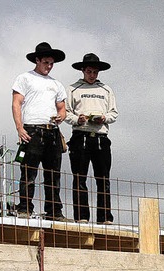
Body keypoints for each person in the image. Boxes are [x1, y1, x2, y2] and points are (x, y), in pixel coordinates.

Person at [12, 42, 68, 221]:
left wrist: (61, 116)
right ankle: (24, 208)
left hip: (52, 130)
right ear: (37, 60)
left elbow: (62, 108)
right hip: (32, 129)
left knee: (53, 174)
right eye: (46, 62)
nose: (49, 66)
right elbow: (16, 103)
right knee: (28, 171)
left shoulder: (56, 84)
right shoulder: (25, 78)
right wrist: (19, 127)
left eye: (51, 63)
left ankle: (54, 211)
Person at [65, 53, 118, 224]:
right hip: (80, 135)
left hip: (101, 136)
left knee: (103, 178)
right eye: (89, 71)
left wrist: (104, 118)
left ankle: (104, 217)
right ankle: (81, 216)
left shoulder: (106, 90)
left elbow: (114, 113)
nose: (92, 75)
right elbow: (65, 112)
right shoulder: (73, 89)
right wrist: (77, 119)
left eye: (95, 72)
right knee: (80, 177)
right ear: (83, 70)